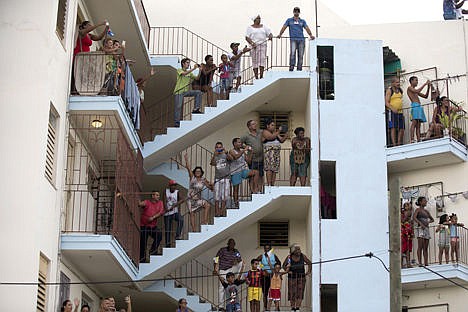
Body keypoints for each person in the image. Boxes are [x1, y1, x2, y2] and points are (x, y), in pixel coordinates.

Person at [277, 7, 315, 71]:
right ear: (293, 12)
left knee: (300, 55)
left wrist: (310, 35)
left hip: (301, 40)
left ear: (299, 12)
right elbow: (284, 27)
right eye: (295, 11)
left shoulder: (302, 21)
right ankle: (291, 66)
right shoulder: (289, 20)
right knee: (292, 53)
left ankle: (299, 68)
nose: (296, 12)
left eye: (297, 11)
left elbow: (307, 28)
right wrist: (280, 34)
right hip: (293, 39)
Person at [213, 239, 244, 311]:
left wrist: (237, 261)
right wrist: (215, 269)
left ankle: (239, 278)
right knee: (221, 288)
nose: (232, 245)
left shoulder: (236, 251)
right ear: (228, 244)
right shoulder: (223, 250)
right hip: (223, 269)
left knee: (242, 262)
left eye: (233, 244)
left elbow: (239, 259)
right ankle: (221, 306)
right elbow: (216, 258)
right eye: (230, 243)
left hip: (231, 269)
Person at [184, 153, 213, 229]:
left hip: (197, 199)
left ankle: (204, 221)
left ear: (201, 172)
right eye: (196, 171)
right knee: (192, 214)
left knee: (207, 205)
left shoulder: (203, 179)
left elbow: (210, 188)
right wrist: (186, 160)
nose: (197, 172)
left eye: (199, 171)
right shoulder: (192, 177)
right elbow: (188, 168)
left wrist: (212, 185)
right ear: (194, 172)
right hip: (190, 199)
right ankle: (193, 229)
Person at [173, 58, 202, 127]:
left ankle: (196, 109)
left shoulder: (190, 73)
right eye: (187, 62)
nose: (188, 64)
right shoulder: (179, 70)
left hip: (185, 91)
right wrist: (194, 69)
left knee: (198, 92)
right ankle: (177, 123)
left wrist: (200, 71)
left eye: (189, 63)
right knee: (178, 107)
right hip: (179, 91)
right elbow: (184, 73)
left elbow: (197, 78)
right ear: (183, 63)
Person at [282, 244, 312, 311]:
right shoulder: (289, 257)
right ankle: (293, 307)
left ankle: (298, 307)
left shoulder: (302, 256)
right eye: (297, 249)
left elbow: (309, 263)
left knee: (300, 292)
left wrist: (308, 271)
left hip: (301, 277)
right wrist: (288, 271)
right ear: (293, 251)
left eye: (299, 249)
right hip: (292, 277)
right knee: (292, 292)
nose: (299, 251)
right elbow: (284, 265)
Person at [138, 191, 164, 262]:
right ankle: (142, 259)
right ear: (152, 196)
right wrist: (138, 199)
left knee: (159, 235)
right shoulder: (147, 202)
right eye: (157, 195)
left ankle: (153, 251)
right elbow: (140, 204)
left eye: (158, 195)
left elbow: (161, 212)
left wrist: (153, 217)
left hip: (153, 226)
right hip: (144, 226)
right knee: (143, 243)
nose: (158, 196)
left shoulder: (160, 203)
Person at [245, 14, 273, 79]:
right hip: (254, 46)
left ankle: (261, 75)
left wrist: (270, 36)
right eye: (258, 18)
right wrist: (252, 43)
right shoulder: (250, 28)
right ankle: (256, 76)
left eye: (260, 18)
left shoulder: (264, 27)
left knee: (262, 60)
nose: (259, 20)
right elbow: (247, 37)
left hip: (263, 45)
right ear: (254, 20)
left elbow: (269, 33)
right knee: (255, 61)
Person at [262, 119, 287, 187]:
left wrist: (286, 134)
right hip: (269, 153)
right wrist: (279, 131)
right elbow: (270, 137)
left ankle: (272, 184)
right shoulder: (265, 132)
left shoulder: (275, 133)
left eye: (274, 125)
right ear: (267, 126)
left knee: (274, 169)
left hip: (276, 153)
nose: (274, 127)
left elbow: (281, 140)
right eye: (272, 125)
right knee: (269, 168)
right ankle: (269, 184)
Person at [229, 137, 253, 208]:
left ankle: (253, 191)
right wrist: (243, 150)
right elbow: (236, 157)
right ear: (234, 143)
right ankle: (236, 204)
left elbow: (248, 161)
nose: (241, 144)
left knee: (254, 173)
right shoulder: (231, 151)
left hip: (243, 170)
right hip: (235, 171)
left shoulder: (242, 151)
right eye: (239, 142)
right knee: (236, 189)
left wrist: (250, 152)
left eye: (241, 142)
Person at [241, 120, 264, 194]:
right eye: (253, 124)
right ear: (249, 126)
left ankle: (259, 190)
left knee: (261, 175)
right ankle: (253, 190)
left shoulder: (260, 132)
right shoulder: (246, 135)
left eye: (255, 123)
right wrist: (246, 146)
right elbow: (240, 143)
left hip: (261, 158)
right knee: (252, 176)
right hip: (252, 159)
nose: (255, 124)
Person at [256, 243, 281, 311]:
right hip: (264, 276)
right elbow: (256, 264)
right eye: (265, 248)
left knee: (275, 291)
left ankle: (277, 307)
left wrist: (275, 270)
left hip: (273, 276)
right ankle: (265, 307)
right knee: (265, 293)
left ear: (270, 249)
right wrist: (262, 269)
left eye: (268, 248)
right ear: (264, 249)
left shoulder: (274, 256)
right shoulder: (262, 256)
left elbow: (279, 263)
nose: (267, 250)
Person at [407, 77, 430, 143]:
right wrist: (425, 84)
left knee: (418, 125)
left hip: (419, 107)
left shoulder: (414, 90)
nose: (417, 82)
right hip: (415, 106)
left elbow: (425, 96)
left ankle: (418, 139)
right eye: (416, 80)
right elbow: (417, 91)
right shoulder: (409, 88)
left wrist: (428, 87)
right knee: (414, 123)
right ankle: (412, 139)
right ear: (411, 81)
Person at [412, 196, 434, 266]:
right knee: (420, 246)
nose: (426, 202)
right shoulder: (418, 210)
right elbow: (414, 217)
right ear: (420, 202)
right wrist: (420, 223)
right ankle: (420, 262)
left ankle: (426, 262)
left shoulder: (426, 211)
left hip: (426, 229)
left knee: (425, 247)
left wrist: (428, 222)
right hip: (420, 229)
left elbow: (432, 219)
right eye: (424, 201)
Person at [211, 142, 231, 216]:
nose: (219, 148)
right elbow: (212, 163)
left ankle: (222, 212)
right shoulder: (215, 156)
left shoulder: (225, 154)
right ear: (215, 148)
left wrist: (226, 152)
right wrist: (214, 155)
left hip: (226, 178)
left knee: (224, 196)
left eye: (220, 147)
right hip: (217, 178)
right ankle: (217, 212)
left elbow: (231, 159)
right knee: (216, 196)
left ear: (222, 147)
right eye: (217, 147)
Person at [385, 77, 405, 146]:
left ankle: (399, 142)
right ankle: (394, 144)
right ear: (392, 83)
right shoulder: (389, 90)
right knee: (393, 128)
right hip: (392, 112)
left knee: (401, 128)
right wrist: (392, 108)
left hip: (400, 112)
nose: (398, 83)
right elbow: (386, 102)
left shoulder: (400, 90)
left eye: (399, 82)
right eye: (396, 82)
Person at [164, 180, 184, 247]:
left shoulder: (177, 192)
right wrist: (166, 208)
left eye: (175, 185)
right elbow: (164, 200)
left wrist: (174, 205)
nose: (174, 186)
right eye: (172, 185)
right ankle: (168, 245)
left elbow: (182, 200)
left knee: (181, 219)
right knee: (167, 230)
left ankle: (177, 235)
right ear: (169, 186)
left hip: (175, 212)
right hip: (167, 213)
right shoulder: (165, 191)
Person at [401, 202, 414, 268]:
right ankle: (401, 264)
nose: (407, 207)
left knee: (408, 248)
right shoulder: (402, 213)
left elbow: (412, 223)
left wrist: (412, 232)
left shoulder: (411, 213)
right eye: (406, 206)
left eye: (408, 206)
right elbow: (402, 221)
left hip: (409, 231)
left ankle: (408, 263)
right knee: (403, 248)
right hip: (403, 232)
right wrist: (407, 216)